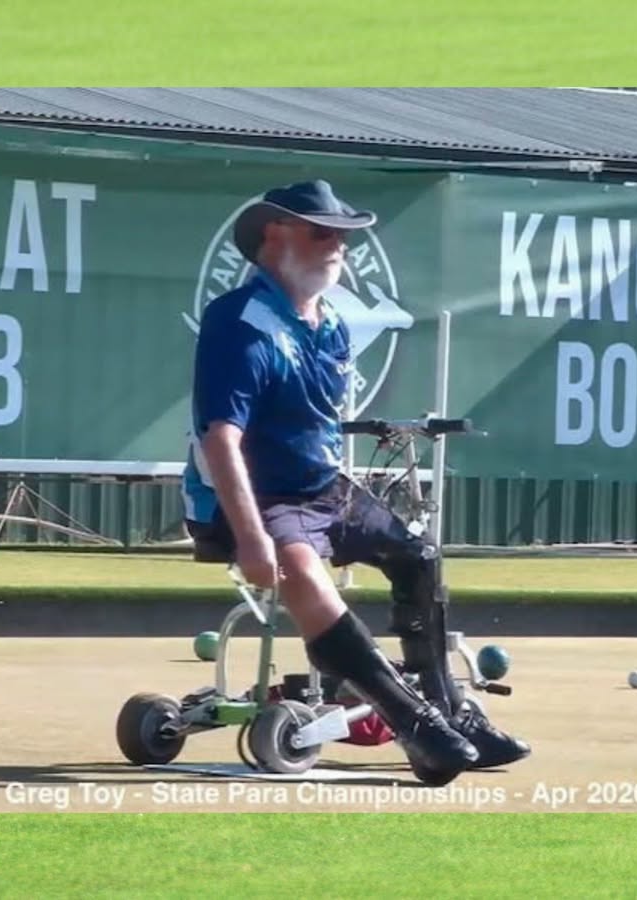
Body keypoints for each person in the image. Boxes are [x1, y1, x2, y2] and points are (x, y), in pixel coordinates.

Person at [182, 179, 529, 785]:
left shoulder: (333, 323)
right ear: (275, 235)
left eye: (344, 235)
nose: (338, 245)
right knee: (310, 582)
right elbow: (222, 440)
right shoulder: (239, 322)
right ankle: (415, 725)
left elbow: (312, 424)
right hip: (248, 499)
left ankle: (448, 709)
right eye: (323, 232)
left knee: (418, 554)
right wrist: (254, 538)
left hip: (321, 488)